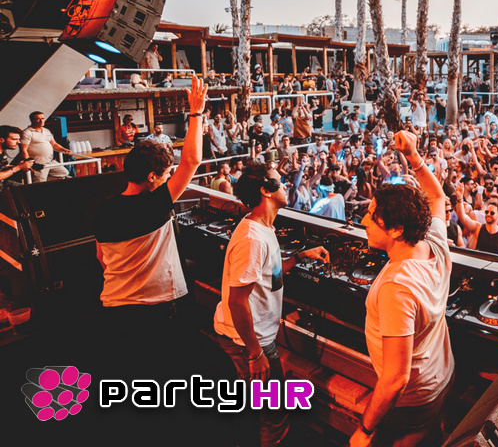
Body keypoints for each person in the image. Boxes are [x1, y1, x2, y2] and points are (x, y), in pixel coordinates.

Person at [91, 77, 207, 381]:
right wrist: (196, 112)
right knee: (166, 376)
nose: (169, 178)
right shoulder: (152, 205)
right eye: (166, 174)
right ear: (153, 176)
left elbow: (101, 257)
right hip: (154, 311)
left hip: (114, 307)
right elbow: (192, 160)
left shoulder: (104, 208)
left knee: (133, 378)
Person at [213, 162, 328, 446]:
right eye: (280, 180)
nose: (286, 185)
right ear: (266, 190)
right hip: (247, 342)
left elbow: (270, 271)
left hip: (250, 339)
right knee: (272, 413)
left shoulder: (262, 227)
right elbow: (237, 301)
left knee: (261, 406)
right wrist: (255, 353)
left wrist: (301, 256)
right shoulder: (252, 239)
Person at [353, 131, 454, 447]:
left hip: (414, 397)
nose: (364, 221)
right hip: (442, 373)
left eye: (373, 218)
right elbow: (437, 197)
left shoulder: (397, 287)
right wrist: (412, 155)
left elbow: (396, 378)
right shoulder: (433, 242)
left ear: (397, 230)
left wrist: (365, 429)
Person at [21, 111, 71, 181]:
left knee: (63, 173)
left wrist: (64, 149)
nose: (41, 121)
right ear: (32, 120)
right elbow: (24, 150)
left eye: (43, 118)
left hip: (50, 161)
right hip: (38, 164)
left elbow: (54, 144)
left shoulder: (46, 131)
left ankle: (47, 184)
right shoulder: (27, 132)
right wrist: (29, 164)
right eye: (38, 119)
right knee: (40, 181)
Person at [0, 125, 33, 189]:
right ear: (1, 140)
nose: (19, 142)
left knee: (29, 189)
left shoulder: (2, 153)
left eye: (18, 139)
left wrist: (22, 166)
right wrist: (18, 167)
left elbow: (5, 166)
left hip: (3, 183)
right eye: (14, 139)